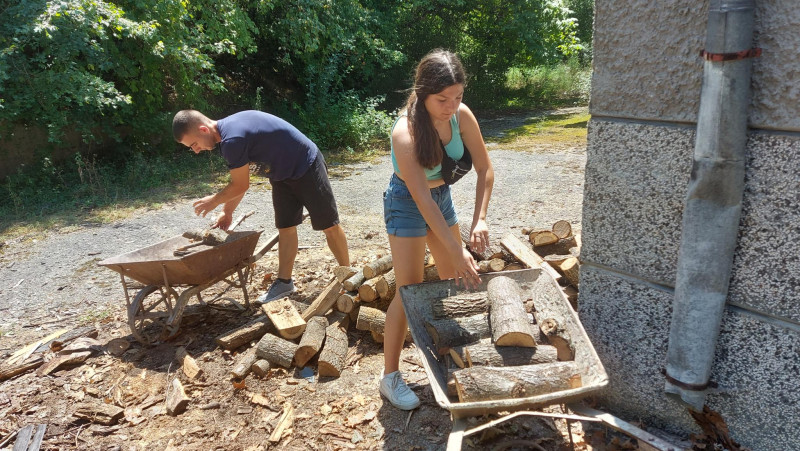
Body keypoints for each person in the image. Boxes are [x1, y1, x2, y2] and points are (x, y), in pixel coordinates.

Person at [380, 50, 494, 410]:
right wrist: (457, 248)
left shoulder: (461, 116)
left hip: (440, 198)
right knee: (409, 290)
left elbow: (485, 170)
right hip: (408, 202)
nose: (451, 106)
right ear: (423, 92)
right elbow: (422, 203)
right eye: (442, 99)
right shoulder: (405, 132)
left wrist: (481, 219)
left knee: (452, 279)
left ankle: (451, 353)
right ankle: (390, 377)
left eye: (458, 96)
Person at [172, 109, 350, 303]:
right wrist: (227, 211)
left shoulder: (233, 139)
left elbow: (240, 185)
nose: (196, 150)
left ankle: (349, 279)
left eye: (194, 144)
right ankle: (284, 283)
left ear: (203, 129)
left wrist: (214, 201)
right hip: (281, 175)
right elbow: (240, 183)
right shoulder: (227, 139)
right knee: (286, 228)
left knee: (329, 226)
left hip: (306, 164)